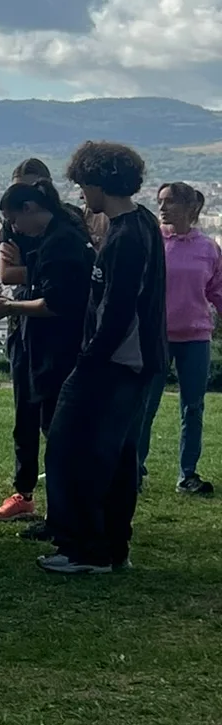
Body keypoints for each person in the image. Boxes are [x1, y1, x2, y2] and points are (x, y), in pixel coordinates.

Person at [38, 141, 166, 577]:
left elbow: (118, 309)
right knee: (118, 457)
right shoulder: (142, 221)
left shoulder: (125, 238)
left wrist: (90, 358)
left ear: (98, 183)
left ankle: (83, 548)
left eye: (83, 184)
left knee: (70, 449)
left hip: (113, 362)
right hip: (137, 362)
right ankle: (113, 546)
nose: (81, 193)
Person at [0, 179, 94, 541]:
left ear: (30, 208)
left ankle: (65, 514)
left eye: (15, 220)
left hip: (57, 349)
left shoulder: (61, 243)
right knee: (53, 429)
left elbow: (56, 303)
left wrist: (10, 306)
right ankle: (63, 511)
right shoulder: (60, 236)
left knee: (58, 433)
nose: (14, 229)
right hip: (49, 347)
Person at [137, 181, 222, 494]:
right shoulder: (153, 242)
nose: (162, 207)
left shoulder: (208, 249)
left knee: (193, 407)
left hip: (196, 336)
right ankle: (134, 468)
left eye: (170, 201)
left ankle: (188, 474)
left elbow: (217, 290)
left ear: (190, 207)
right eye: (160, 201)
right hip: (157, 336)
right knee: (145, 405)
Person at [0, 157, 58, 523]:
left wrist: (34, 269)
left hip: (57, 326)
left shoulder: (64, 223)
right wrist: (44, 271)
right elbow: (7, 274)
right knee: (25, 413)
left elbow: (71, 272)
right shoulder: (12, 226)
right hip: (24, 323)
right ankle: (24, 491)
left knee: (56, 415)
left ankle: (62, 494)